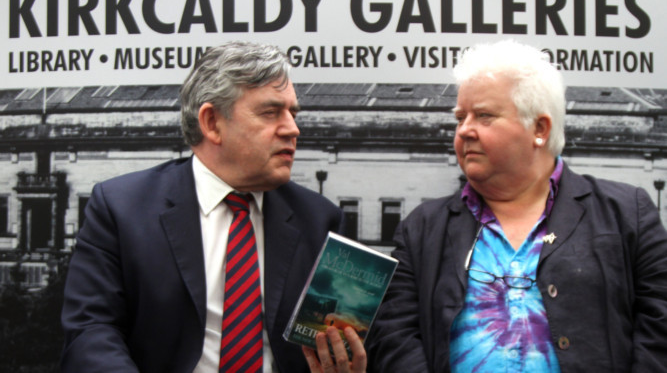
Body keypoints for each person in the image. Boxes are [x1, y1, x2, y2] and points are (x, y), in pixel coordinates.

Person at [367, 39, 667, 372]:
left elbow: (659, 334)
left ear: (539, 128)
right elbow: (394, 337)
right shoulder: (421, 229)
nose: (464, 130)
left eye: (484, 116)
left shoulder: (628, 215)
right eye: (460, 117)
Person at [61, 41, 360, 373]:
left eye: (293, 113)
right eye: (271, 112)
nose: (293, 128)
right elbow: (91, 331)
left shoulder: (321, 221)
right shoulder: (121, 209)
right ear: (212, 123)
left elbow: (337, 346)